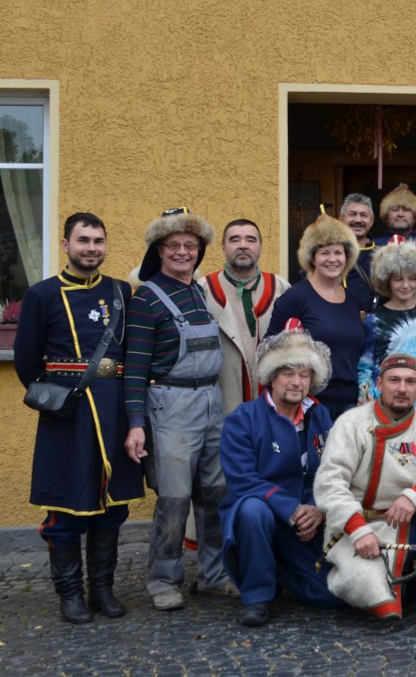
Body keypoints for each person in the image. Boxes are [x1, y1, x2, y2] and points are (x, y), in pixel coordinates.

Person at [14, 212, 143, 624]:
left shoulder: (121, 292)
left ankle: (102, 589)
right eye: (83, 240)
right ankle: (70, 594)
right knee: (65, 505)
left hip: (114, 408)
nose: (91, 248)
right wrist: (55, 397)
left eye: (98, 241)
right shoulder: (42, 295)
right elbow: (26, 360)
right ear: (66, 244)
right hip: (67, 414)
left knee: (112, 504)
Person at [123, 207, 235, 611]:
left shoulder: (198, 293)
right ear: (160, 250)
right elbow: (134, 369)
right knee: (174, 498)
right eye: (174, 245)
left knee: (216, 494)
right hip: (170, 407)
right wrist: (136, 424)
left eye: (190, 245)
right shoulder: (145, 299)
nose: (182, 252)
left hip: (211, 401)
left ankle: (213, 575)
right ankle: (163, 580)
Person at [314, 354, 416, 619]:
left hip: (409, 518)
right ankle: (391, 578)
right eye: (394, 380)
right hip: (360, 526)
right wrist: (357, 529)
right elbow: (329, 481)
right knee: (369, 589)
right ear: (379, 384)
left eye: (410, 382)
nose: (402, 388)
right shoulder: (351, 423)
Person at [218, 325, 344, 627]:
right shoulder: (243, 418)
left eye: (304, 374)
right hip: (263, 513)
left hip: (305, 519)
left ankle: (279, 570)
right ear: (271, 377)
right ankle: (257, 596)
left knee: (332, 597)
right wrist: (291, 509)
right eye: (288, 373)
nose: (297, 382)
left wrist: (317, 508)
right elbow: (242, 479)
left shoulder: (320, 415)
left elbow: (333, 470)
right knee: (252, 510)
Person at [267, 214, 366, 420]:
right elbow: (269, 350)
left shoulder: (353, 300)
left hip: (351, 404)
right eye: (324, 253)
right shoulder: (295, 297)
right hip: (310, 404)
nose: (332, 259)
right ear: (312, 258)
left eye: (338, 252)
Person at [203, 219, 289, 413]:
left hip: (273, 403)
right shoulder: (204, 289)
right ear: (223, 246)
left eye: (250, 240)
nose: (243, 245)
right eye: (234, 240)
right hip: (222, 403)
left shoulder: (281, 288)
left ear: (260, 246)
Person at [356, 237, 416, 412]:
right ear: (387, 280)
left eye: (411, 278)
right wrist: (365, 395)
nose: (405, 285)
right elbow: (365, 367)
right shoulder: (374, 320)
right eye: (398, 279)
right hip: (384, 409)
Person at [339, 194, 379, 314]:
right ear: (341, 219)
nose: (358, 220)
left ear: (371, 221)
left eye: (363, 215)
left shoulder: (383, 254)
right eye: (352, 214)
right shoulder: (329, 254)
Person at [375, 183, 416, 249]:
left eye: (406, 209)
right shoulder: (375, 246)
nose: (400, 214)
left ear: (415, 216)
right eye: (395, 209)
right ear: (386, 215)